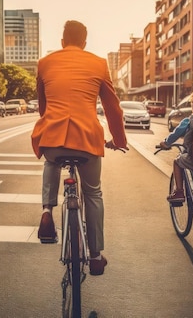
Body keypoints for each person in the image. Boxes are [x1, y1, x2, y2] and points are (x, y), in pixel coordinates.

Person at [31, 20, 128, 276]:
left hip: (53, 136)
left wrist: (49, 124)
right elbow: (112, 107)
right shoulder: (98, 63)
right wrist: (119, 140)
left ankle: (46, 210)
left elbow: (43, 106)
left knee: (51, 161)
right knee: (93, 192)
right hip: (87, 139)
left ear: (63, 41)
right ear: (84, 43)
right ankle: (96, 256)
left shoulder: (44, 63)